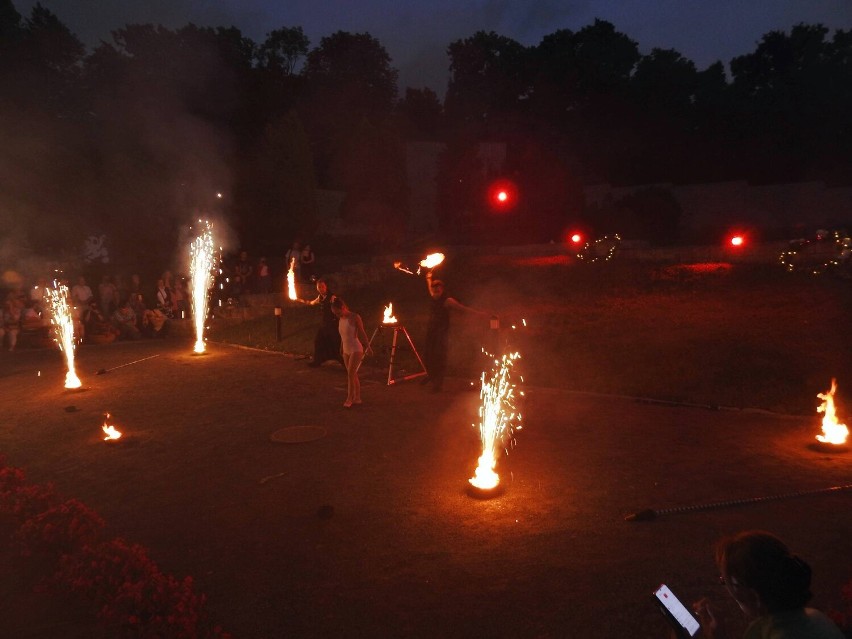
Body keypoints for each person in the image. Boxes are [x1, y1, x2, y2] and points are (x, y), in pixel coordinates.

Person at [691, 530, 845, 639]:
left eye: (725, 581)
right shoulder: (816, 618)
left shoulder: (766, 632)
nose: (726, 587)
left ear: (754, 596)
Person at [421, 270, 492, 392]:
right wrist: (428, 277)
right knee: (428, 356)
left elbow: (463, 309)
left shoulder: (448, 301)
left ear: (442, 289)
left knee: (439, 358)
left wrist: (481, 314)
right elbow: (429, 287)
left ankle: (437, 384)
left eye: (438, 287)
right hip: (431, 332)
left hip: (441, 333)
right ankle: (431, 375)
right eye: (434, 286)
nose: (435, 289)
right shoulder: (433, 296)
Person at [331, 297, 372, 407]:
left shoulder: (355, 317)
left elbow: (362, 333)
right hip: (346, 349)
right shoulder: (340, 319)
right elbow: (343, 335)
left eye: (338, 312)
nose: (337, 315)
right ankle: (357, 397)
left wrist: (368, 346)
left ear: (343, 307)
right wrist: (341, 347)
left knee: (350, 374)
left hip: (356, 348)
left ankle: (349, 398)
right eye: (335, 314)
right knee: (352, 374)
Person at [295, 276, 342, 367]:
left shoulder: (332, 297)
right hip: (324, 325)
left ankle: (346, 364)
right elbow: (311, 303)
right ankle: (317, 361)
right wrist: (298, 299)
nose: (320, 289)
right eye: (319, 287)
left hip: (333, 324)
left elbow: (339, 309)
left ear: (326, 287)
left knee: (336, 344)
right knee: (318, 341)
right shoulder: (320, 297)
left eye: (322, 286)